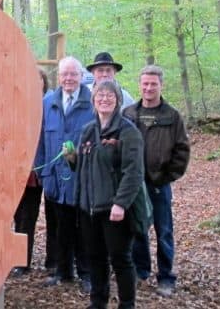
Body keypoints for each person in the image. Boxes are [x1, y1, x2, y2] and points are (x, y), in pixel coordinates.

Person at [65, 80, 144, 309]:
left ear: (118, 100)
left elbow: (134, 172)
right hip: (89, 208)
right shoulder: (88, 130)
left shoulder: (128, 131)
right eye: (100, 95)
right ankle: (98, 302)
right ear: (93, 100)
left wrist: (120, 204)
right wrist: (72, 159)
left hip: (115, 210)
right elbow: (84, 167)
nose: (104, 99)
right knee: (95, 258)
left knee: (120, 260)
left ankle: (127, 304)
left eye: (110, 95)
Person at [123, 65, 190, 298]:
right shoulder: (129, 113)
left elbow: (182, 150)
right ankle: (141, 272)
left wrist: (166, 176)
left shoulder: (171, 116)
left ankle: (166, 277)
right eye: (145, 84)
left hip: (159, 185)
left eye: (153, 84)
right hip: (134, 185)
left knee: (163, 231)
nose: (149, 88)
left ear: (161, 85)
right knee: (138, 228)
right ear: (139, 85)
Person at [35, 57, 92, 293]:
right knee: (59, 226)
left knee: (84, 228)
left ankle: (86, 273)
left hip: (83, 179)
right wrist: (42, 171)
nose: (68, 79)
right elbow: (39, 141)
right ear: (58, 77)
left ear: (80, 76)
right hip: (54, 178)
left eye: (73, 74)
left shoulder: (91, 103)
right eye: (64, 74)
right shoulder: (48, 102)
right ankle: (63, 271)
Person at [11, 67, 50, 277]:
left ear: (44, 83)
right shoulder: (18, 106)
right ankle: (19, 260)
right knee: (18, 216)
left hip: (38, 171)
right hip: (16, 171)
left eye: (39, 80)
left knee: (30, 217)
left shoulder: (49, 105)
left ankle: (48, 260)